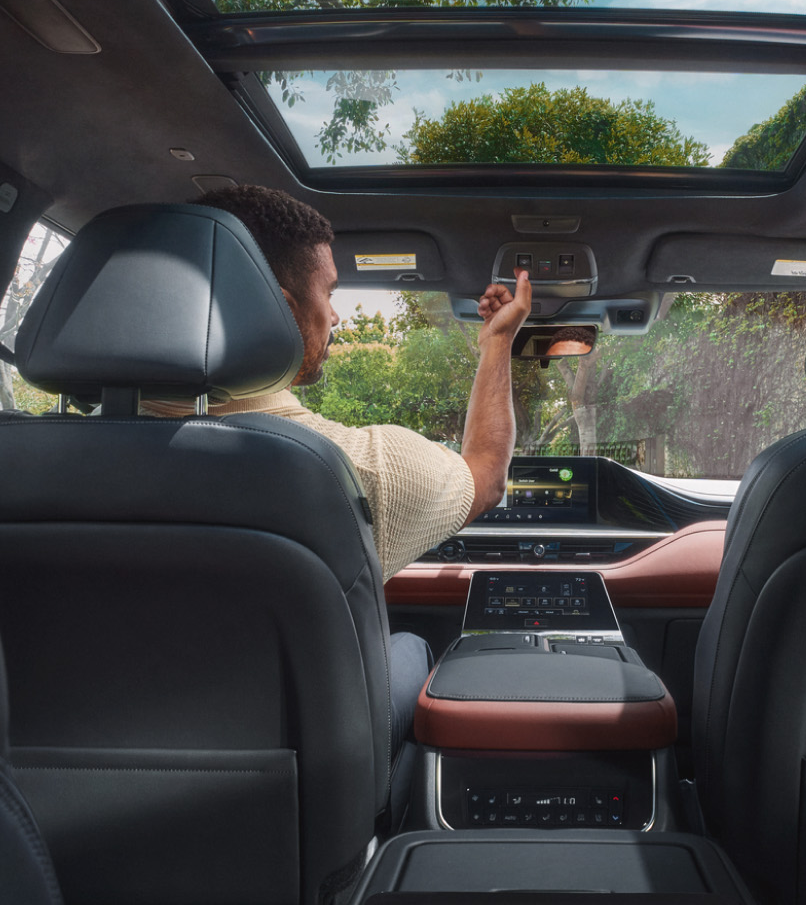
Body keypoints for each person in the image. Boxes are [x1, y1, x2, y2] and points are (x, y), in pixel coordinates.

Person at [142, 185, 532, 756]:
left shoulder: (27, 465)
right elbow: (487, 473)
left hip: (49, 817)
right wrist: (498, 344)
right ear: (275, 307)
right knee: (412, 649)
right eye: (328, 292)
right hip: (293, 812)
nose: (336, 315)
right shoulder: (351, 468)